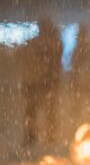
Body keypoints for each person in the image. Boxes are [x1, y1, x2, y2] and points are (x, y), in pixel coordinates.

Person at [22, 18, 63, 147]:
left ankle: (40, 136)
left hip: (43, 81)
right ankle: (36, 136)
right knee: (38, 110)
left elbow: (54, 61)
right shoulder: (52, 43)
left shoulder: (47, 43)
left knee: (44, 110)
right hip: (39, 82)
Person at [68, 24, 90, 124]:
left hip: (87, 81)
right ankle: (82, 123)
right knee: (81, 105)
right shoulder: (80, 50)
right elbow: (75, 66)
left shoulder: (87, 49)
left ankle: (87, 123)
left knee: (89, 105)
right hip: (82, 81)